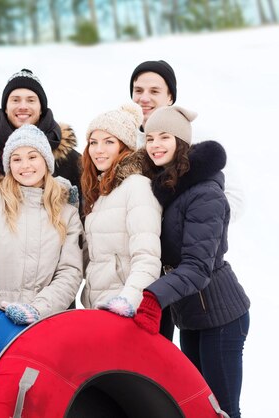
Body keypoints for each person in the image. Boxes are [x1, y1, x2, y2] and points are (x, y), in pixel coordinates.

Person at [133, 106, 250, 418]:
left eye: (164, 137)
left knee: (222, 411)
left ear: (181, 141)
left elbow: (198, 266)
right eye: (150, 138)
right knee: (196, 406)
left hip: (222, 317)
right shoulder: (166, 184)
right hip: (193, 315)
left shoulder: (205, 193)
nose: (155, 144)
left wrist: (155, 295)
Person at [129, 59, 246, 340]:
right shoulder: (130, 141)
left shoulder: (195, 138)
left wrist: (188, 225)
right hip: (143, 270)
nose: (145, 98)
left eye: (155, 91)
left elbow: (231, 199)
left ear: (170, 96)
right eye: (138, 90)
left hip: (184, 273)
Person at [0, 124, 84, 336]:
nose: (25, 165)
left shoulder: (67, 214)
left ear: (46, 161)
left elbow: (70, 273)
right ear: (9, 165)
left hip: (41, 327)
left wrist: (37, 309)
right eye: (16, 159)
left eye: (32, 157)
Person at [80, 103, 162, 315]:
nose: (98, 150)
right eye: (93, 142)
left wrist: (128, 301)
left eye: (109, 142)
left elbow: (147, 256)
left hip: (123, 309)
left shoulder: (137, 186)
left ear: (124, 146)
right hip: (97, 307)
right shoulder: (99, 194)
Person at [0, 68, 81, 209]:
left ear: (41, 108)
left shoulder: (69, 158)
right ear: (5, 107)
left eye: (31, 100)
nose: (23, 106)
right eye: (15, 100)